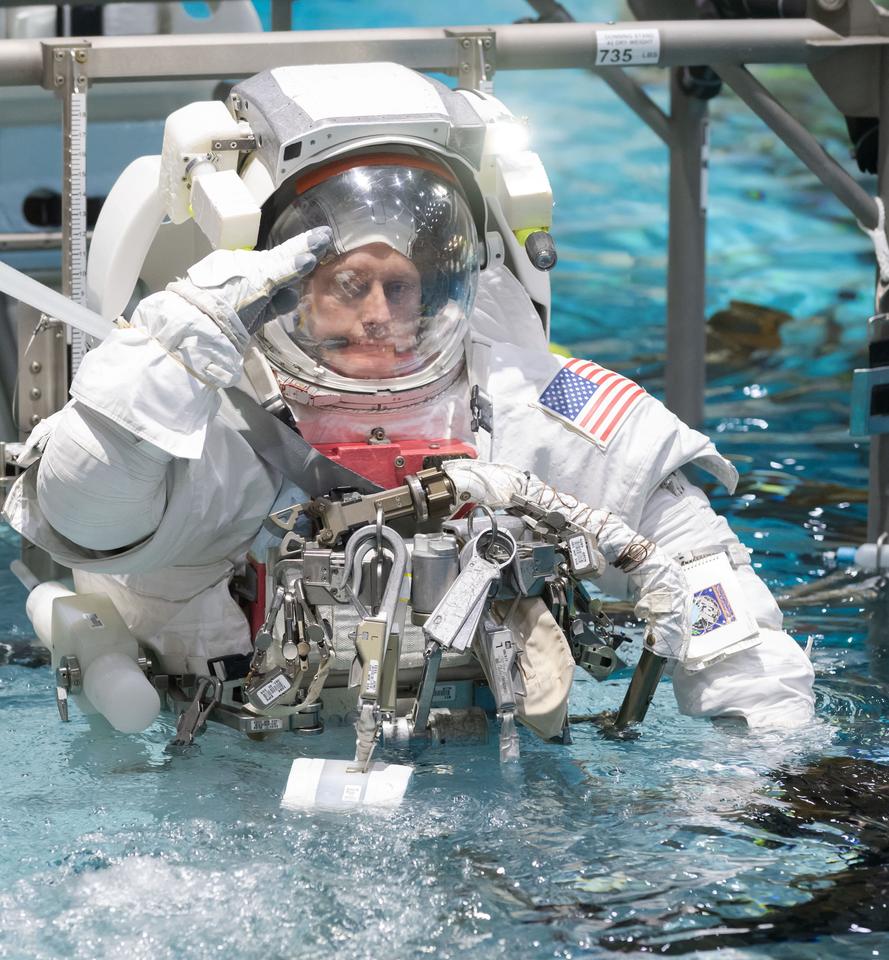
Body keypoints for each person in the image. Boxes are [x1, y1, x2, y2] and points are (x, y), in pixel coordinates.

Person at [3, 63, 814, 735]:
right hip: (232, 775)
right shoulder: (206, 424)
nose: (379, 316)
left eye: (401, 286)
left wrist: (757, 783)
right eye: (347, 285)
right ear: (281, 285)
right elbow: (84, 511)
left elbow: (713, 589)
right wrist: (173, 346)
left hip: (484, 788)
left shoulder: (531, 404)